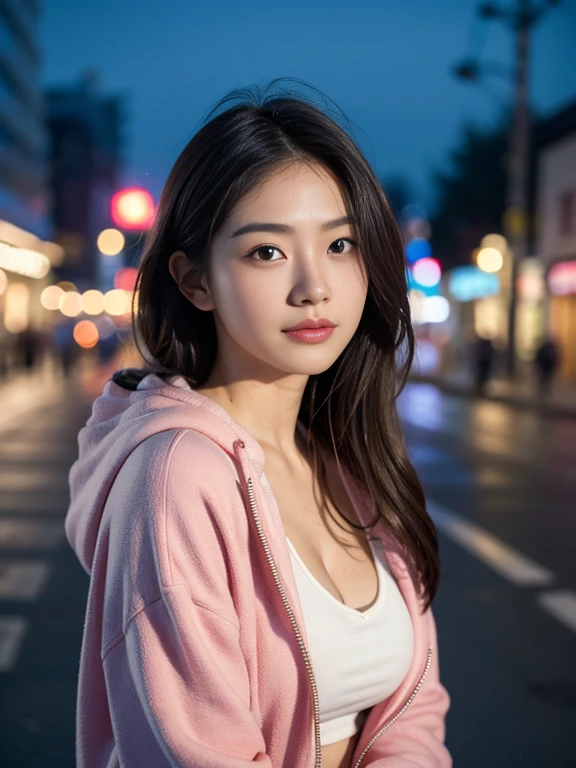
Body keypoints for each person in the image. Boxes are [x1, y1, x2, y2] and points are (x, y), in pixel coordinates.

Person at [65, 80, 451, 768]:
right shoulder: (177, 476)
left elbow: (416, 705)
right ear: (194, 281)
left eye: (340, 245)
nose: (314, 286)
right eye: (266, 252)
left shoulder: (350, 456)